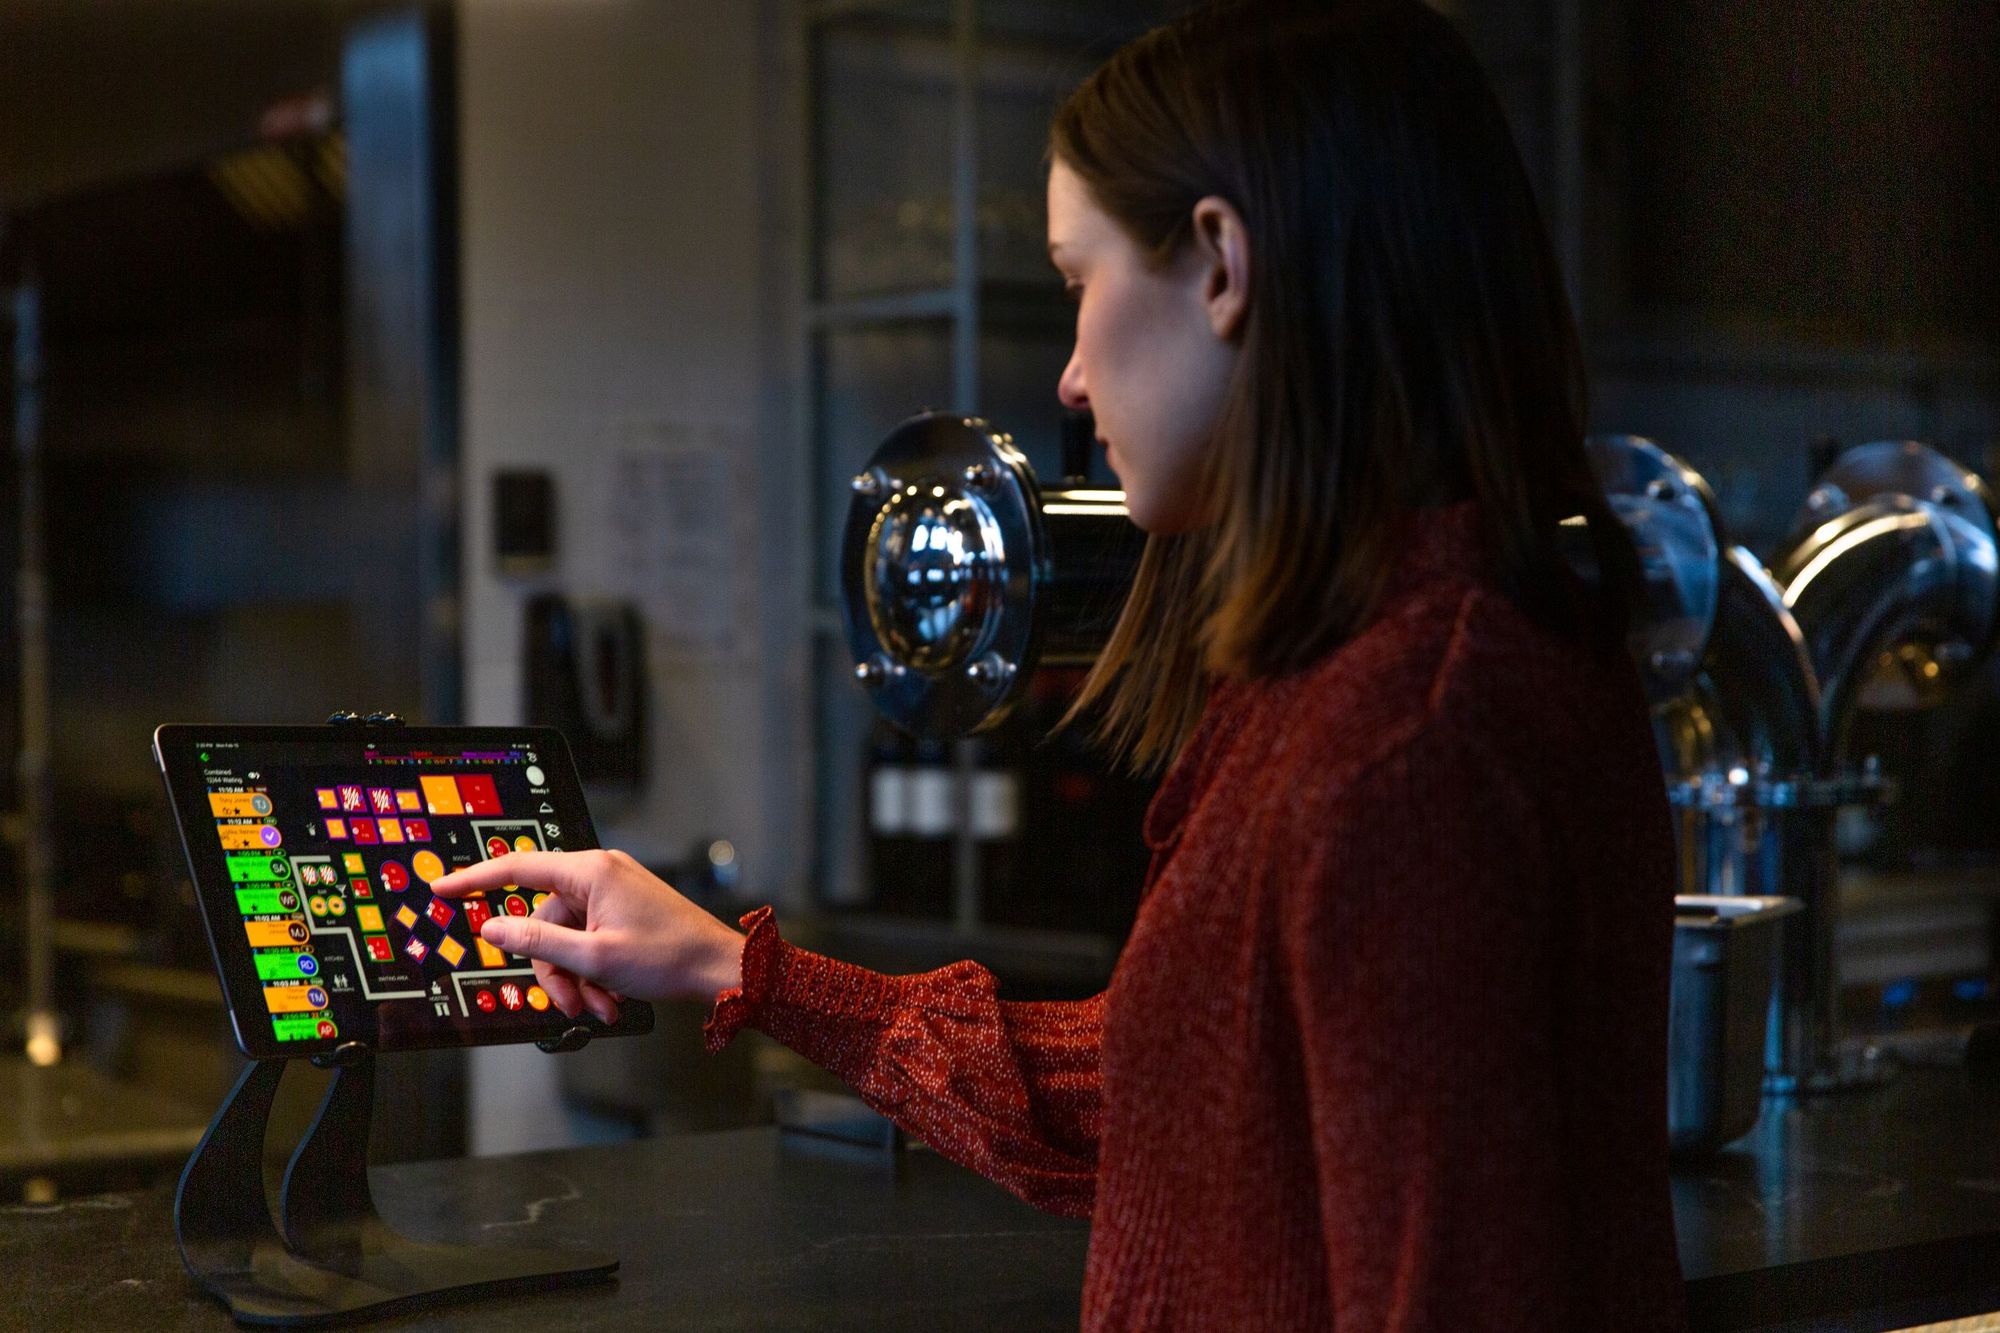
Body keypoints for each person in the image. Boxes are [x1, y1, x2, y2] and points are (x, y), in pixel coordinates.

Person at [433, 1, 1688, 1327]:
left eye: (1078, 280)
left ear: (1219, 263)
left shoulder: (1407, 747)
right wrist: (738, 968)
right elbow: (1164, 1102)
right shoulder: (1391, 676)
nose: (1074, 378)